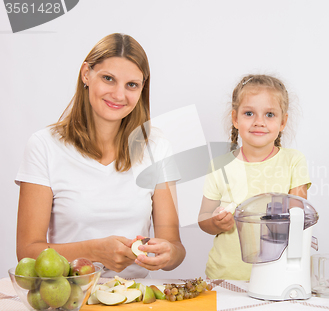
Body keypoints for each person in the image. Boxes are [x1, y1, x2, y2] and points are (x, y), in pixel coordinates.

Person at [15, 33, 185, 278]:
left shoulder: (156, 146)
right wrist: (95, 251)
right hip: (66, 298)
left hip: (133, 300)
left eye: (131, 85)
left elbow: (175, 250)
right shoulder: (44, 145)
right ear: (86, 74)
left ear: (141, 89)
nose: (118, 94)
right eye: (108, 78)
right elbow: (28, 252)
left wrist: (168, 252)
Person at [198, 75, 311, 280]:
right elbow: (203, 219)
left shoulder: (293, 161)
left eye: (269, 114)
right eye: (249, 113)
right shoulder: (219, 166)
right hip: (225, 275)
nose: (259, 122)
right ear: (235, 119)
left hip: (276, 275)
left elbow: (298, 217)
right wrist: (216, 223)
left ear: (283, 121)